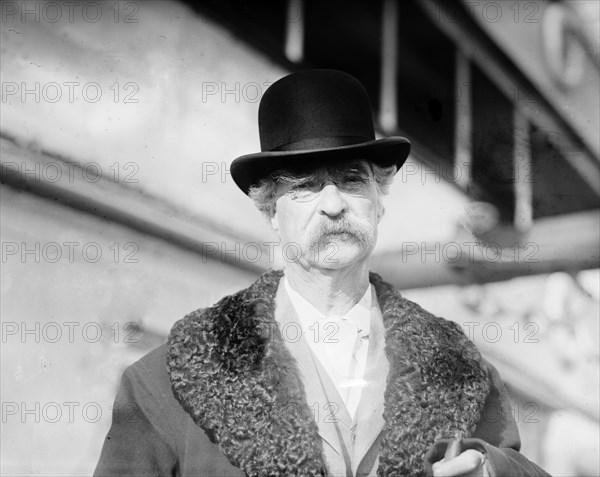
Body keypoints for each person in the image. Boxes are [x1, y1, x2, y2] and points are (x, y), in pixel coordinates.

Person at [94, 69, 551, 476]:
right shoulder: (166, 382)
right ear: (271, 210)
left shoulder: (460, 372)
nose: (333, 205)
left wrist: (490, 470)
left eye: (352, 179)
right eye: (306, 187)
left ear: (379, 198)